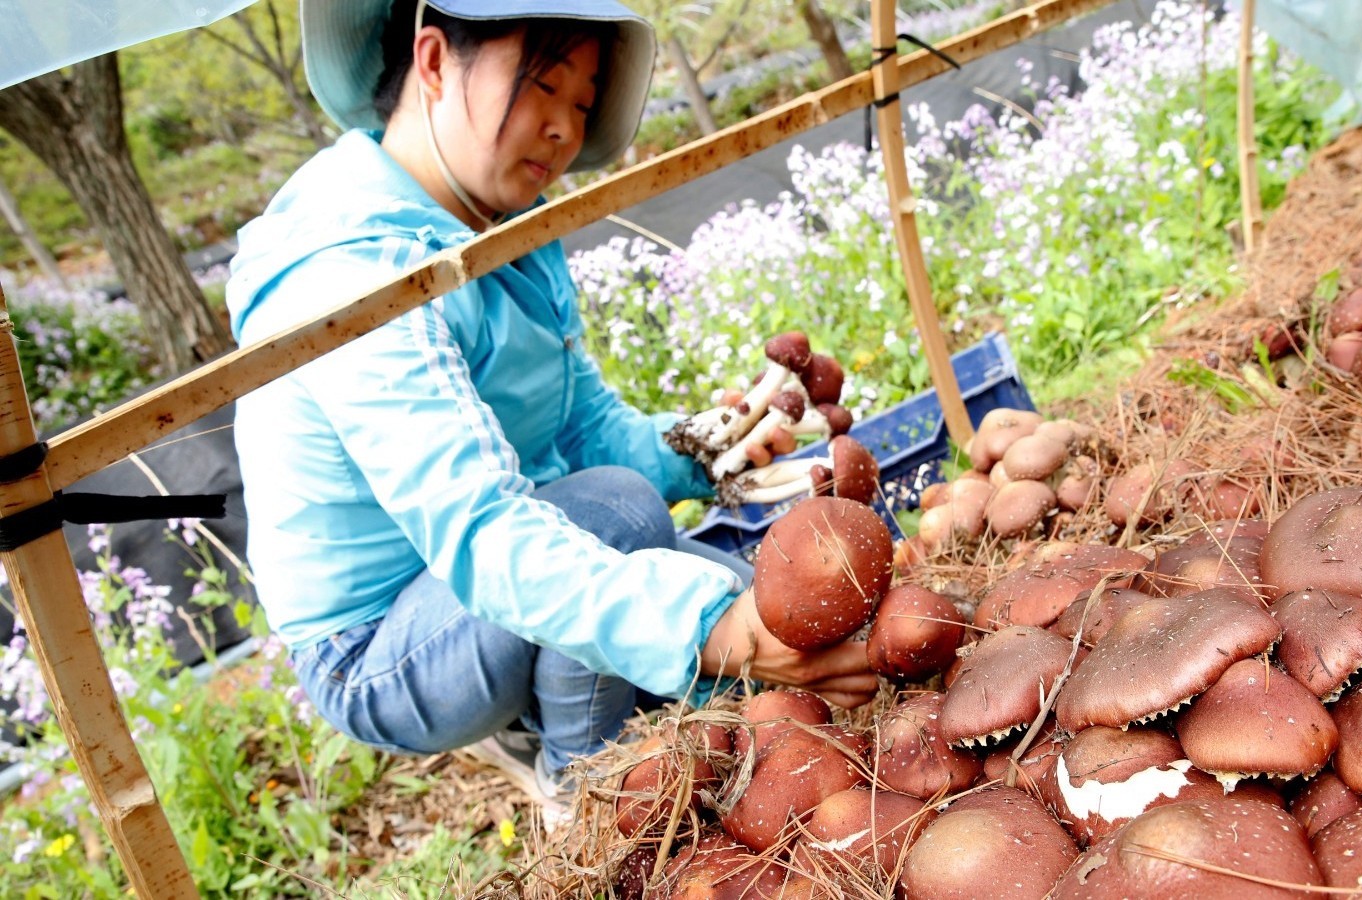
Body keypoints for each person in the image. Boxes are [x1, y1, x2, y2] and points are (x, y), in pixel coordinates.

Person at [225, 0, 877, 813]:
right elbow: (486, 532)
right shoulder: (352, 277)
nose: (565, 128)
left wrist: (711, 449)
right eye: (545, 84)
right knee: (624, 524)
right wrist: (714, 630)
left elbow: (583, 428)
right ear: (433, 62)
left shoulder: (500, 232)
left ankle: (564, 708)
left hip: (492, 574)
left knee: (775, 629)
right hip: (380, 650)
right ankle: (589, 803)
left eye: (582, 100)